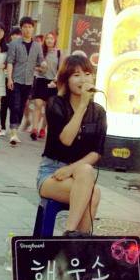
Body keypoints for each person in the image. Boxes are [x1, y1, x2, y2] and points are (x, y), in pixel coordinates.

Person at [37, 54, 107, 235]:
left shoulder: (99, 112)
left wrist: (71, 169)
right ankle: (75, 243)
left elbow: (97, 152)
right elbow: (66, 140)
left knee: (86, 171)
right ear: (66, 80)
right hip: (52, 173)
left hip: (79, 174)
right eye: (76, 75)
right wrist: (82, 106)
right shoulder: (55, 104)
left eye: (87, 74)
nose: (83, 79)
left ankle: (71, 235)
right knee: (93, 193)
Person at [6, 16, 44, 145]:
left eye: (30, 27)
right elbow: (10, 62)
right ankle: (13, 132)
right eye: (25, 27)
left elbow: (40, 61)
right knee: (15, 105)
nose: (27, 29)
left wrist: (43, 65)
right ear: (21, 28)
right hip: (16, 79)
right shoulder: (14, 44)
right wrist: (9, 78)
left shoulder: (37, 46)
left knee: (22, 106)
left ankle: (15, 129)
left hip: (29, 81)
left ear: (33, 29)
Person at [30, 31, 60, 140]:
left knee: (48, 108)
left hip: (52, 82)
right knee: (38, 104)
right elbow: (33, 64)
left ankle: (43, 128)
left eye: (51, 38)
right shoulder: (41, 52)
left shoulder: (59, 53)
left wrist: (55, 81)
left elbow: (61, 69)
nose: (49, 40)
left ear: (55, 40)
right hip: (40, 80)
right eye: (47, 38)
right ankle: (34, 129)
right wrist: (39, 68)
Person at [0, 27, 21, 134]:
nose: (16, 36)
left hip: (18, 80)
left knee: (15, 106)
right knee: (4, 104)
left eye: (18, 35)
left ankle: (13, 128)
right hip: (6, 79)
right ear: (11, 36)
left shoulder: (22, 48)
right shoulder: (6, 47)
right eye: (14, 35)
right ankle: (3, 127)